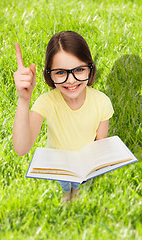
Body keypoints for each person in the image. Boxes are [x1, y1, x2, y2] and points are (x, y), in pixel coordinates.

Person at [13, 31, 114, 201]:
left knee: (78, 184)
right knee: (66, 184)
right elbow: (21, 149)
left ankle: (76, 192)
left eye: (79, 70)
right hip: (59, 166)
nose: (71, 80)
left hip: (85, 166)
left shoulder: (102, 102)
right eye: (60, 73)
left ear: (90, 68)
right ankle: (67, 193)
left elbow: (100, 142)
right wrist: (24, 99)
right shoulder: (46, 102)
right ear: (49, 75)